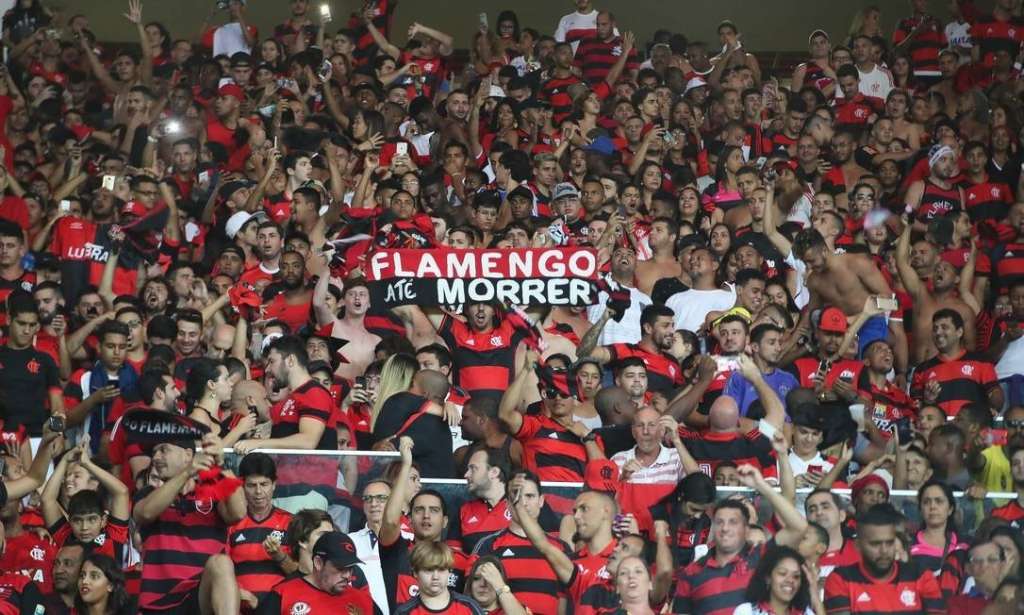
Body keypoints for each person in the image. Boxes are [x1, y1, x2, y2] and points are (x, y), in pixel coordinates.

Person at [673, 463, 809, 614]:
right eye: (720, 522)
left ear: (746, 528)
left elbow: (800, 528)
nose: (725, 528)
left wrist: (761, 486)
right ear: (712, 526)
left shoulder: (762, 557)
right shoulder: (691, 572)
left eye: (733, 522)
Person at [133, 431, 245, 614]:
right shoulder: (147, 494)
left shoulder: (212, 491)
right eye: (154, 453)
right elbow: (145, 513)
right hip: (158, 606)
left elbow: (239, 513)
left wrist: (220, 464)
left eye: (163, 450)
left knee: (221, 564)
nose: (156, 457)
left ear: (187, 455)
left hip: (199, 598)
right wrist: (187, 473)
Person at [824, 504, 943, 614]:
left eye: (889, 543)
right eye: (875, 544)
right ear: (858, 546)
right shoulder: (840, 579)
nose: (884, 551)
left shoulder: (921, 576)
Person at [234, 335, 337, 453]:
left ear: (291, 360)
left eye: (272, 361)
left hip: (313, 471)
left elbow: (308, 441)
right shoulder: (289, 399)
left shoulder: (314, 393)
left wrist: (258, 443)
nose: (267, 369)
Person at [228, 453, 293, 609]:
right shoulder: (230, 523)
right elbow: (221, 574)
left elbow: (304, 575)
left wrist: (280, 557)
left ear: (274, 484)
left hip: (280, 608)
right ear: (241, 485)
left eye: (264, 484)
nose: (258, 492)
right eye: (251, 485)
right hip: (238, 607)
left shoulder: (291, 523)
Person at [256, 531, 374, 615]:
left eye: (350, 568)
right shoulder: (283, 595)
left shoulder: (363, 600)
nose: (348, 575)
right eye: (340, 568)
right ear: (318, 563)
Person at [395, 541, 483, 615]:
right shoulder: (404, 612)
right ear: (415, 572)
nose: (435, 577)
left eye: (441, 569)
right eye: (429, 570)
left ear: (449, 571)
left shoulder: (469, 608)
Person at [734, 545, 825, 615]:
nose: (790, 580)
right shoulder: (747, 611)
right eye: (782, 573)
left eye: (796, 576)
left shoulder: (806, 613)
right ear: (768, 578)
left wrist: (815, 597)